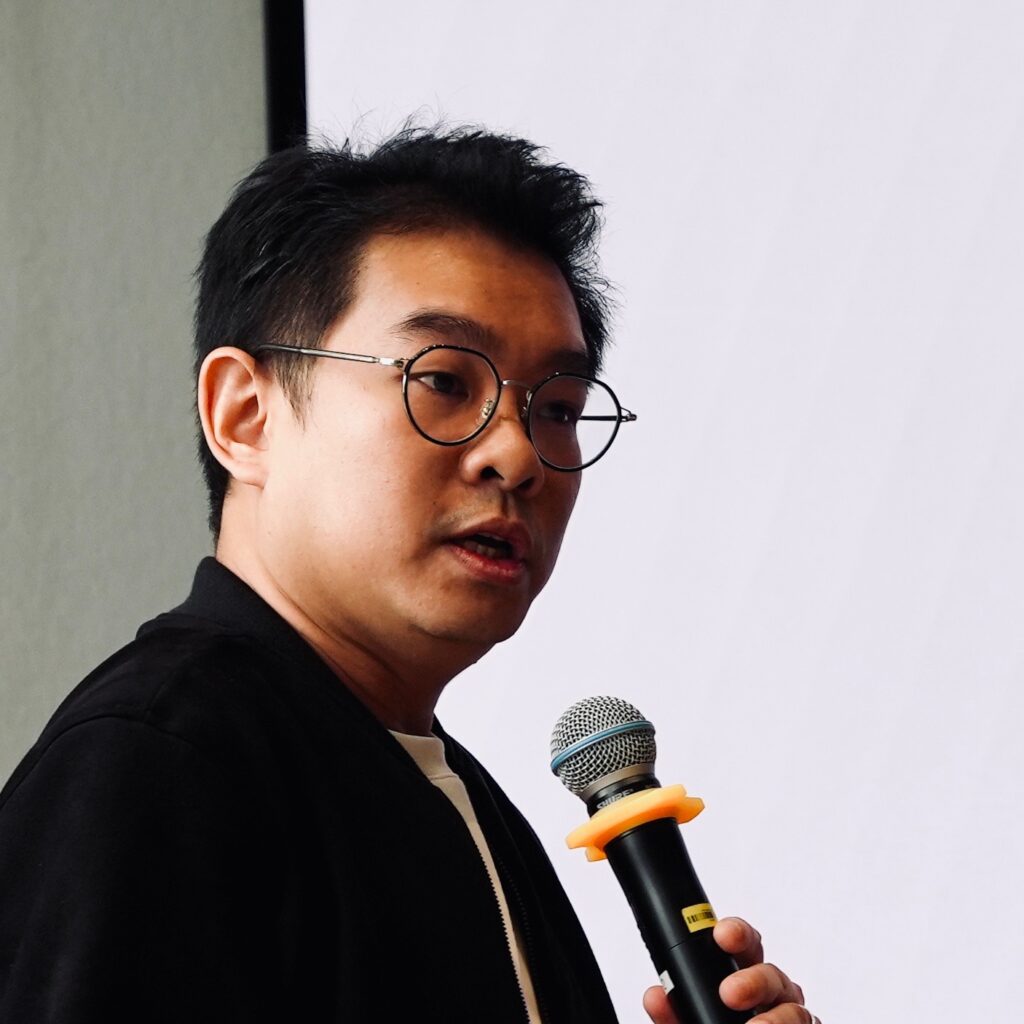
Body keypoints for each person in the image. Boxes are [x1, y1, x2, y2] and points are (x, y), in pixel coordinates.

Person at [0, 126, 817, 1023]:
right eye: (445, 382)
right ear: (244, 416)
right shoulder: (156, 762)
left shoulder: (456, 795)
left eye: (557, 407)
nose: (518, 456)